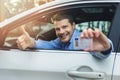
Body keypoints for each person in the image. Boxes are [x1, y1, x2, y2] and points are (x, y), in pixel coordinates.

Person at [16, 12, 113, 59]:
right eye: (57, 29)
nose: (61, 32)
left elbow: (96, 48)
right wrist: (32, 43)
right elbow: (49, 45)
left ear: (73, 25)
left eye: (65, 27)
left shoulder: (78, 40)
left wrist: (106, 48)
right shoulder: (61, 41)